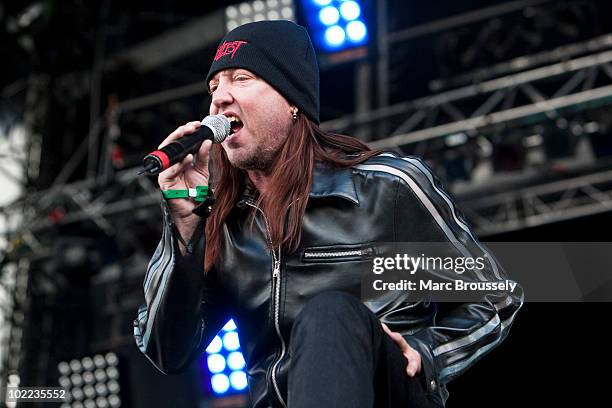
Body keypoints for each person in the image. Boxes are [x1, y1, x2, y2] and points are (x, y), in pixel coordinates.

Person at [134, 20, 523, 408]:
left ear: (292, 101)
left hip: (386, 396)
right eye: (214, 87)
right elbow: (167, 351)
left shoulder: (382, 189)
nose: (220, 98)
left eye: (241, 78)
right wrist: (183, 227)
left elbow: (494, 298)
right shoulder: (224, 221)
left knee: (329, 313)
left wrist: (430, 354)